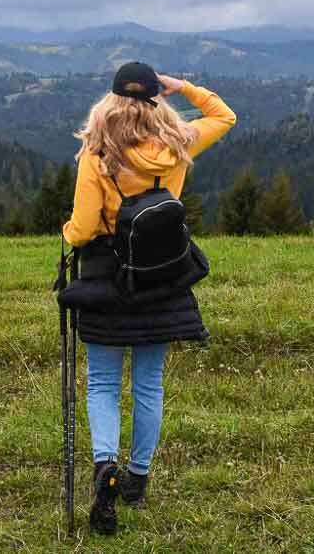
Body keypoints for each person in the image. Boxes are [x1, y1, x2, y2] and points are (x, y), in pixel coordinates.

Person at [62, 61, 236, 535]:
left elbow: (80, 231)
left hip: (107, 278)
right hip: (161, 277)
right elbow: (225, 117)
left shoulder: (96, 157)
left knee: (101, 382)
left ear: (112, 100)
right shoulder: (178, 146)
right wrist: (185, 87)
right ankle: (136, 481)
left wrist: (66, 231)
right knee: (148, 384)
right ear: (156, 98)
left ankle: (104, 466)